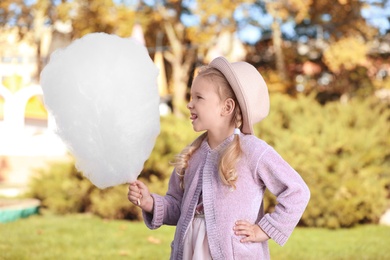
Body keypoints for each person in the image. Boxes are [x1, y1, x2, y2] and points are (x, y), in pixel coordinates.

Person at [128, 56, 310, 260]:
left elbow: (297, 192)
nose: (190, 104)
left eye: (199, 97)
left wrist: (265, 230)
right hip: (190, 252)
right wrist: (149, 203)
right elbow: (178, 207)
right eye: (191, 96)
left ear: (226, 107)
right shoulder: (192, 154)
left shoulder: (253, 151)